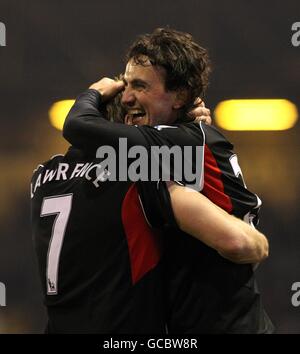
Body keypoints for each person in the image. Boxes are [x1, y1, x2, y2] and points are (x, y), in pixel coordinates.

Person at [63, 28, 274, 333]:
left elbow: (77, 126)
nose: (126, 97)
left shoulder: (173, 142)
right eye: (125, 84)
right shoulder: (185, 138)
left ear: (181, 96)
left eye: (139, 85)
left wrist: (95, 92)